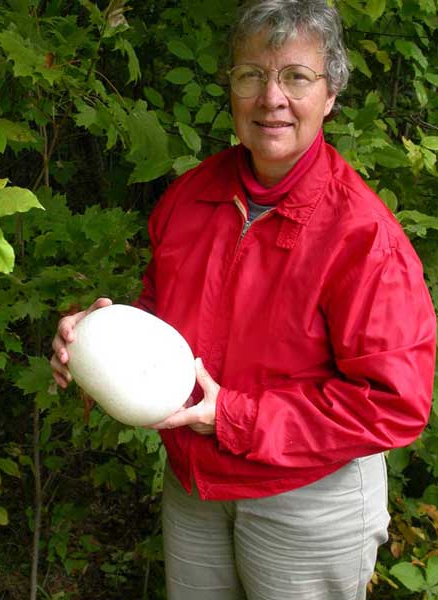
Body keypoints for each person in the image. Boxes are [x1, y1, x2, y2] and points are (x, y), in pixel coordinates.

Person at [51, 1, 437, 598]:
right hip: (196, 486)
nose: (271, 97)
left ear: (330, 94)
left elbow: (395, 403)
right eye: (251, 74)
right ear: (230, 87)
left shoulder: (362, 237)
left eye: (296, 77)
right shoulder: (190, 197)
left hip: (307, 498)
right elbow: (163, 321)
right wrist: (101, 340)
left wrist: (232, 416)